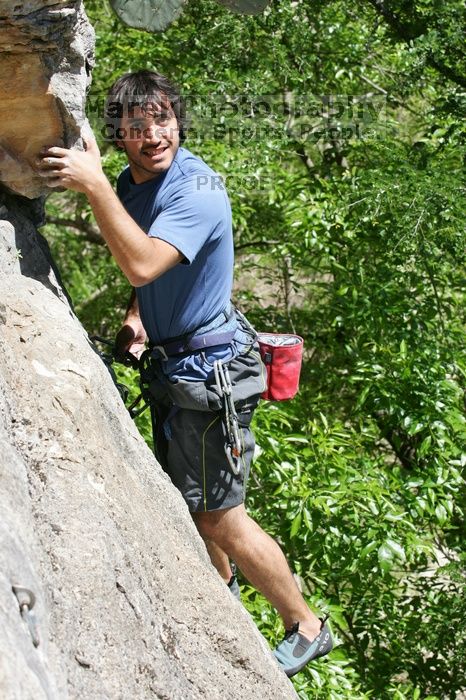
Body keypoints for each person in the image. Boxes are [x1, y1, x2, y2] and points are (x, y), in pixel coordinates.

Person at [37, 70, 333, 677]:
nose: (153, 136)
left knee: (220, 512)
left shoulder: (195, 189)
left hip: (213, 374)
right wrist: (137, 317)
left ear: (180, 121)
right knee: (188, 499)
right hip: (180, 366)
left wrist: (93, 187)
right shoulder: (135, 181)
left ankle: (305, 625)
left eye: (163, 121)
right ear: (118, 136)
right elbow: (150, 265)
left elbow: (144, 262)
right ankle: (218, 594)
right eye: (137, 126)